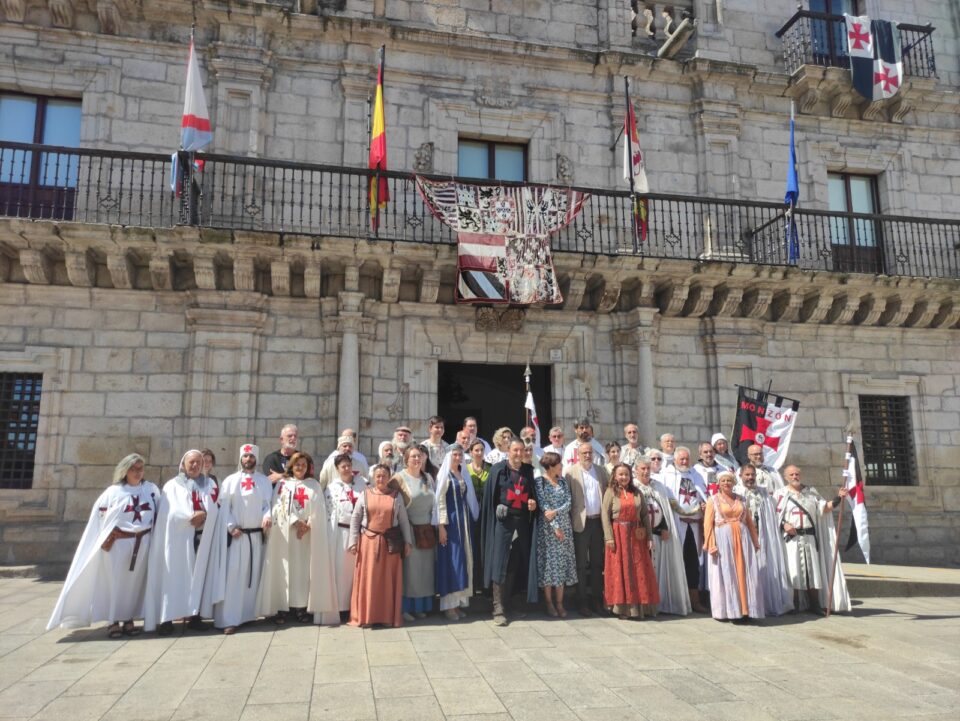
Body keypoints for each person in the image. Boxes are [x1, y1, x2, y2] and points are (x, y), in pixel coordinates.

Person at [48, 454, 159, 636]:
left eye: (140, 468)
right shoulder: (112, 492)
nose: (138, 472)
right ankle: (113, 621)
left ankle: (128, 619)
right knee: (114, 583)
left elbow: (158, 514)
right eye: (133, 469)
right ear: (125, 471)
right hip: (118, 545)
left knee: (134, 584)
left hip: (143, 544)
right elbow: (100, 520)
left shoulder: (151, 490)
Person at [143, 450, 226, 634]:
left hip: (202, 538)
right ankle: (167, 619)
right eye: (191, 462)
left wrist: (205, 514)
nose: (195, 465)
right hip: (177, 540)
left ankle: (194, 617)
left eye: (198, 462)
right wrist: (190, 516)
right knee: (173, 578)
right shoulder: (172, 486)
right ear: (183, 464)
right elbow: (169, 514)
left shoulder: (209, 484)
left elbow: (216, 508)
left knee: (198, 578)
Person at [258, 451, 339, 626]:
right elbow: (277, 505)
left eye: (303, 465)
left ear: (308, 467)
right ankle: (282, 607)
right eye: (297, 464)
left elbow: (319, 508)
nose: (300, 467)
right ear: (291, 466)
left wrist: (308, 524)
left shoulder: (314, 485)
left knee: (303, 571)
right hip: (285, 535)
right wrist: (295, 522)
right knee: (284, 570)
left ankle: (301, 608)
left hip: (307, 536)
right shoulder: (283, 484)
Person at [774, 465, 851, 615]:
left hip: (809, 537)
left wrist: (838, 498)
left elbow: (824, 508)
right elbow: (774, 516)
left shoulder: (811, 492)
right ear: (785, 477)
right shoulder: (780, 494)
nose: (795, 477)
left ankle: (814, 604)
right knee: (793, 570)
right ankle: (794, 604)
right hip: (791, 539)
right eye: (791, 475)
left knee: (813, 571)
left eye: (797, 474)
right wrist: (784, 525)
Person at [214, 443, 272, 634]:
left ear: (256, 459)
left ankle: (247, 616)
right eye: (245, 456)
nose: (248, 459)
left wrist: (267, 516)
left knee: (251, 576)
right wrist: (231, 526)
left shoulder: (263, 481)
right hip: (238, 536)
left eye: (251, 456)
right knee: (234, 577)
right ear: (241, 458)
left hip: (255, 537)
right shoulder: (230, 481)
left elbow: (267, 504)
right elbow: (224, 507)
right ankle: (229, 619)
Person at [481, 439, 539, 626]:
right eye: (515, 450)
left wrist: (533, 503)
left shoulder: (528, 471)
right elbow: (490, 498)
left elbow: (532, 495)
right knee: (500, 563)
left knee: (515, 563)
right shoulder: (498, 470)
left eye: (521, 450)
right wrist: (498, 506)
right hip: (503, 523)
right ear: (508, 450)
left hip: (521, 523)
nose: (518, 453)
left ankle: (509, 603)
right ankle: (498, 608)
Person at [348, 464, 413, 628]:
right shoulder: (365, 494)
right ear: (373, 477)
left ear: (389, 477)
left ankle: (386, 617)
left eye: (384, 476)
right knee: (369, 580)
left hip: (390, 544)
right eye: (378, 476)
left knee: (387, 582)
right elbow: (355, 519)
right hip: (368, 544)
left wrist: (408, 542)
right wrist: (353, 542)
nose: (381, 479)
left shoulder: (396, 497)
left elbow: (403, 521)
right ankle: (367, 617)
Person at [703, 470, 763, 621]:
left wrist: (755, 541)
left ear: (734, 482)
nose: (726, 483)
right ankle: (732, 611)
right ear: (719, 483)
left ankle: (747, 610)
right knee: (728, 573)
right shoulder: (713, 500)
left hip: (743, 538)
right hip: (724, 540)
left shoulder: (741, 499)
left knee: (746, 572)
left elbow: (749, 522)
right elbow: (708, 525)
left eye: (729, 480)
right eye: (723, 481)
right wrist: (711, 544)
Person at [634, 456, 690, 616]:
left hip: (658, 534)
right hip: (640, 535)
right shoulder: (633, 487)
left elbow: (664, 508)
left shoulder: (658, 486)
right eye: (642, 468)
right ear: (636, 470)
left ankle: (660, 602)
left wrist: (664, 527)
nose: (646, 471)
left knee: (658, 569)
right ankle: (644, 605)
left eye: (648, 468)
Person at [602, 463, 659, 620]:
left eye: (626, 474)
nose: (624, 477)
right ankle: (623, 609)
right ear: (615, 476)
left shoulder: (637, 492)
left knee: (638, 570)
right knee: (621, 570)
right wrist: (609, 537)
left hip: (636, 537)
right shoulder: (610, 492)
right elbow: (605, 515)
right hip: (618, 536)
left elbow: (645, 515)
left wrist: (649, 537)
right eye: (620, 474)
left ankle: (639, 609)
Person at [735, 464, 793, 616]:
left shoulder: (764, 493)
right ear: (740, 476)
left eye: (752, 475)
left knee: (764, 567)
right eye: (747, 475)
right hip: (743, 535)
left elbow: (772, 513)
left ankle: (765, 602)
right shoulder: (736, 493)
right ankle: (746, 605)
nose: (750, 478)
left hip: (762, 535)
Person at [434, 444, 479, 620]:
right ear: (449, 456)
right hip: (451, 524)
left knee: (463, 559)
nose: (458, 457)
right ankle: (449, 606)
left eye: (460, 454)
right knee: (452, 561)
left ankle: (459, 602)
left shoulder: (462, 474)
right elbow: (439, 501)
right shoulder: (444, 475)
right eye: (455, 454)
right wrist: (441, 526)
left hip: (463, 522)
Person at [661, 446, 708, 613]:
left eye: (687, 458)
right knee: (676, 562)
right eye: (681, 459)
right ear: (674, 460)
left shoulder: (696, 475)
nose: (684, 461)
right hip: (676, 524)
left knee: (693, 563)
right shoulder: (666, 475)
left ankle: (694, 600)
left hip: (693, 525)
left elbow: (703, 496)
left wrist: (703, 506)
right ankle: (675, 601)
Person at [565, 441, 609, 616]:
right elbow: (568, 499)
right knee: (581, 564)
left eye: (590, 452)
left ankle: (596, 600)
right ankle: (582, 601)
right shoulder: (570, 473)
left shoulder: (601, 471)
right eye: (584, 453)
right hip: (580, 523)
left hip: (598, 522)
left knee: (598, 563)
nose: (588, 455)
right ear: (578, 455)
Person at [396, 445, 436, 620]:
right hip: (410, 529)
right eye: (413, 456)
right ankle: (405, 608)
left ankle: (421, 607)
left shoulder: (428, 477)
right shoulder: (399, 478)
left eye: (419, 456)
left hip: (427, 531)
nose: (417, 459)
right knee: (410, 572)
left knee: (425, 571)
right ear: (406, 459)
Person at [535, 452, 577, 618]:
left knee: (561, 566)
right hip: (548, 531)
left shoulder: (563, 481)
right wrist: (555, 527)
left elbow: (568, 503)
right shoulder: (540, 482)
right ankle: (549, 602)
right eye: (559, 464)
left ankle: (560, 602)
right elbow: (544, 506)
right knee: (549, 566)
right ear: (551, 466)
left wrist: (557, 512)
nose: (561, 466)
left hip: (565, 527)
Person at [325, 452, 367, 619]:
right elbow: (329, 513)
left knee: (358, 571)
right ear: (337, 468)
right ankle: (342, 607)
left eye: (349, 465)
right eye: (343, 466)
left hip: (360, 532)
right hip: (341, 534)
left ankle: (357, 606)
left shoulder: (362, 483)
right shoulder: (332, 488)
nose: (347, 469)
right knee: (342, 572)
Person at [466, 439, 490, 590]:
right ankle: (472, 584)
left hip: (486, 514)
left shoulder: (491, 468)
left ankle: (484, 583)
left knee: (484, 548)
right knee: (471, 548)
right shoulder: (464, 469)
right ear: (470, 452)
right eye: (476, 450)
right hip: (469, 514)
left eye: (481, 450)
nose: (479, 453)